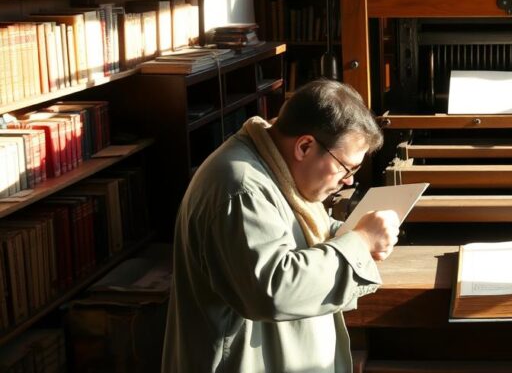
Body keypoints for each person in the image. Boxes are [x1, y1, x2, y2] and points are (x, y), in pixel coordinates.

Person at [162, 79, 399, 373]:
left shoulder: (274, 169)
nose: (349, 180)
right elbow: (274, 288)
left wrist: (348, 230)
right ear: (305, 146)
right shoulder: (240, 188)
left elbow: (298, 230)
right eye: (346, 167)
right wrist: (359, 243)